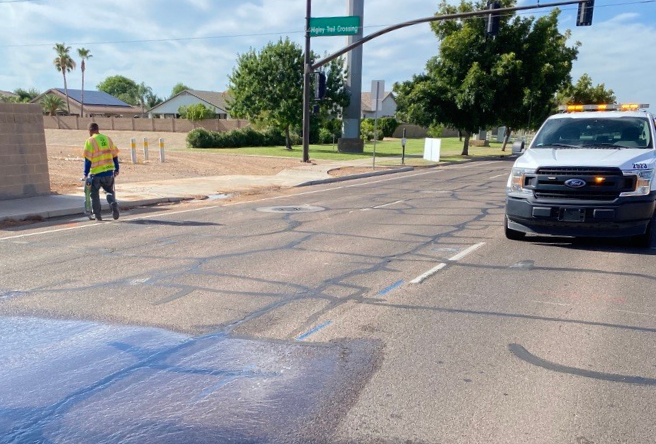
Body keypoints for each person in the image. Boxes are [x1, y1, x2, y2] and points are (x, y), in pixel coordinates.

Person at [83, 122, 120, 221]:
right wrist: (116, 169)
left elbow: (88, 160)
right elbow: (115, 155)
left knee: (94, 195)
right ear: (98, 129)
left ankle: (97, 215)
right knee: (108, 191)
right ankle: (112, 203)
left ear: (90, 131)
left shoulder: (90, 141)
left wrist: (85, 174)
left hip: (96, 173)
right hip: (109, 172)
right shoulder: (107, 139)